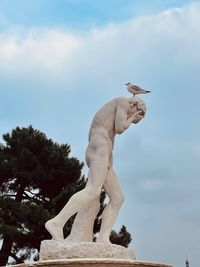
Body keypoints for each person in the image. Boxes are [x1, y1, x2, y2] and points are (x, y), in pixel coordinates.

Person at [45, 96, 146, 242]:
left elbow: (112, 135)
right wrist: (132, 118)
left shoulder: (113, 112)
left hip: (104, 152)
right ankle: (56, 223)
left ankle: (103, 239)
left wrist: (109, 160)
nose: (135, 119)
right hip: (99, 149)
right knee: (93, 190)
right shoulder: (123, 102)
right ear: (136, 107)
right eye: (138, 116)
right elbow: (120, 127)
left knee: (118, 198)